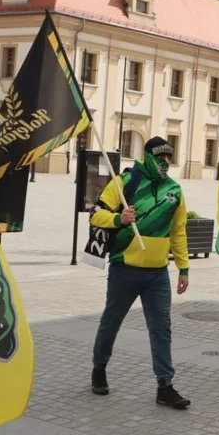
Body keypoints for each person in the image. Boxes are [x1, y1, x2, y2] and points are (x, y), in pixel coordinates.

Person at [90, 136, 191, 410]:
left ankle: (165, 386)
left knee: (162, 329)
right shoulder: (126, 182)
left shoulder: (175, 190)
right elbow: (95, 213)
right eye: (160, 157)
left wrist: (183, 267)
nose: (165, 162)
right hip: (125, 269)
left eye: (169, 157)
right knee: (112, 321)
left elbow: (178, 231)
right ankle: (99, 368)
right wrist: (117, 219)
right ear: (147, 156)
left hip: (158, 273)